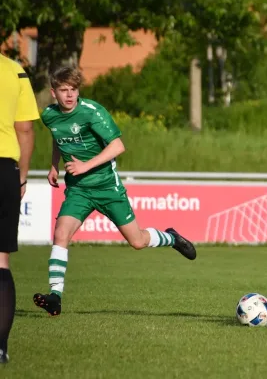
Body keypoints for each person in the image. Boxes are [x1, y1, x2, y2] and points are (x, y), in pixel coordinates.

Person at [33, 66, 196, 317]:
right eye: (63, 90)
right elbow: (58, 136)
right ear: (53, 92)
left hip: (107, 187)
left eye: (73, 90)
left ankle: (172, 237)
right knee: (61, 234)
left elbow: (118, 146)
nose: (69, 95)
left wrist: (84, 165)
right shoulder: (50, 116)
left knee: (137, 241)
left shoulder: (93, 112)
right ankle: (55, 296)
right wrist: (54, 165)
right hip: (78, 190)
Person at [0, 54, 40, 363]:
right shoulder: (15, 72)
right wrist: (22, 176)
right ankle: (0, 348)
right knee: (1, 260)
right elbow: (25, 129)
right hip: (5, 171)